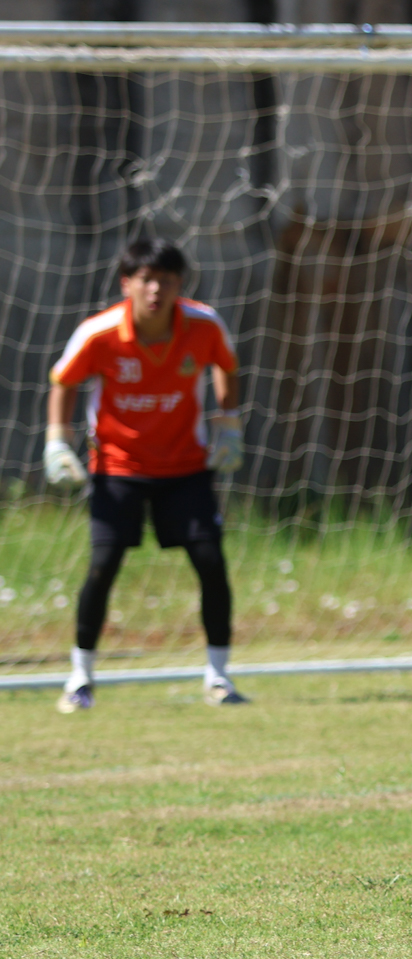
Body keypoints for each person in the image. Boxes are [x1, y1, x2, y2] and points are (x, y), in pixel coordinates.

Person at [45, 236, 246, 711]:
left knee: (211, 562)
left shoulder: (203, 324)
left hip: (186, 466)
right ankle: (80, 678)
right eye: (147, 280)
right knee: (103, 566)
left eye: (167, 281)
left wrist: (228, 422)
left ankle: (219, 678)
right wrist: (57, 439)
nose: (157, 290)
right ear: (127, 283)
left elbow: (226, 366)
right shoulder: (99, 333)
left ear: (180, 285)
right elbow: (64, 381)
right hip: (119, 467)